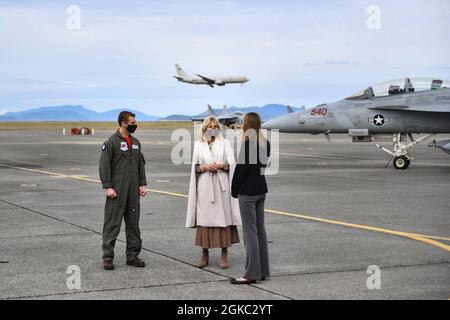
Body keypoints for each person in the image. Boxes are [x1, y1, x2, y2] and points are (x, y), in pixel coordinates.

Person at [186, 116, 241, 269]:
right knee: (205, 218)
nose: (213, 129)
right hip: (205, 186)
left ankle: (224, 253)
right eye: (209, 126)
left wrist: (221, 166)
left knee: (223, 217)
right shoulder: (199, 145)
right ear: (204, 129)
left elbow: (232, 164)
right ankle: (205, 252)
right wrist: (203, 167)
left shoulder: (225, 143)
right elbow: (195, 166)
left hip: (221, 185)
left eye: (215, 126)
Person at [99, 111, 148, 270]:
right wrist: (108, 186)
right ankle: (108, 257)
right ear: (123, 123)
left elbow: (140, 164)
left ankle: (132, 256)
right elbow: (104, 165)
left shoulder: (136, 142)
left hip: (133, 190)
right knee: (112, 223)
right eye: (132, 122)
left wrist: (142, 184)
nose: (135, 124)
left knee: (133, 224)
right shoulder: (111, 142)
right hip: (117, 189)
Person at [230, 112, 271, 284]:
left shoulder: (248, 144)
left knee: (250, 233)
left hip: (248, 193)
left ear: (247, 125)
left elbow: (241, 170)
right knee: (260, 231)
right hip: (261, 189)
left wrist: (234, 189)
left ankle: (250, 274)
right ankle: (262, 270)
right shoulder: (265, 143)